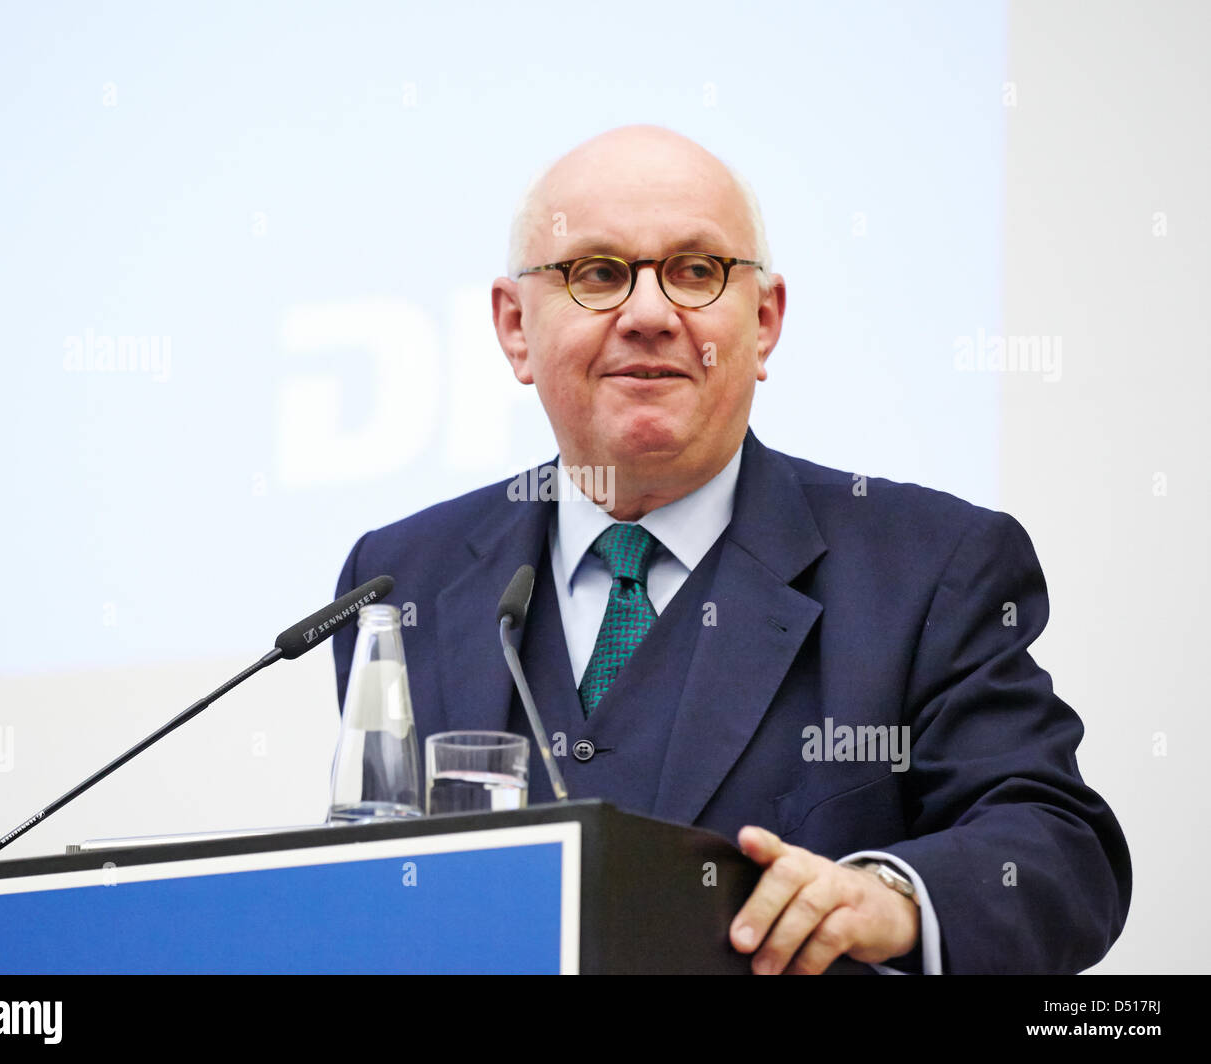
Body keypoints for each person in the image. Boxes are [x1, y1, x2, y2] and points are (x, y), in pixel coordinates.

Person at [333, 125, 1130, 974]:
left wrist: (891, 896)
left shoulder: (931, 567)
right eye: (597, 273)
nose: (647, 315)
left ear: (765, 321)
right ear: (515, 327)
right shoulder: (402, 580)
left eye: (696, 271)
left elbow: (1059, 848)